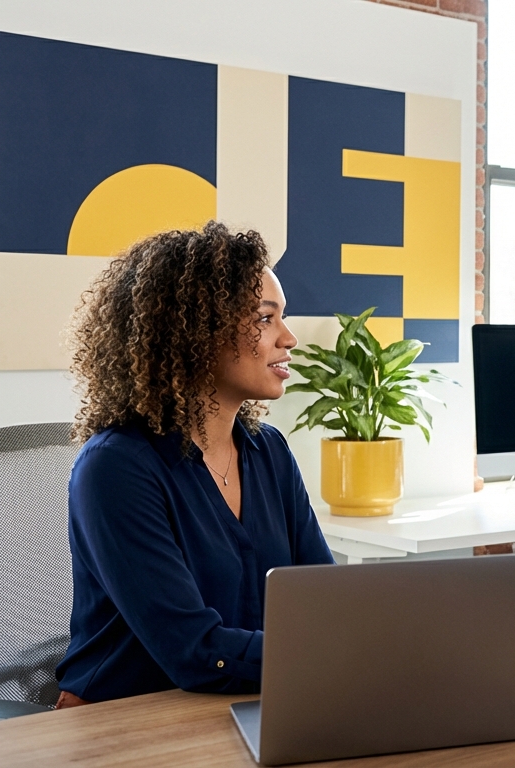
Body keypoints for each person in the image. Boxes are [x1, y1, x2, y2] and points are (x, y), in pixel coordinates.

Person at [55, 222, 334, 706]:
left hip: (248, 704)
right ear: (195, 333)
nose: (288, 338)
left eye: (282, 318)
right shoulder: (116, 469)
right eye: (265, 319)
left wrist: (369, 644)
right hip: (125, 721)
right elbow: (194, 651)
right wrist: (331, 656)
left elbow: (324, 601)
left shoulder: (269, 452)